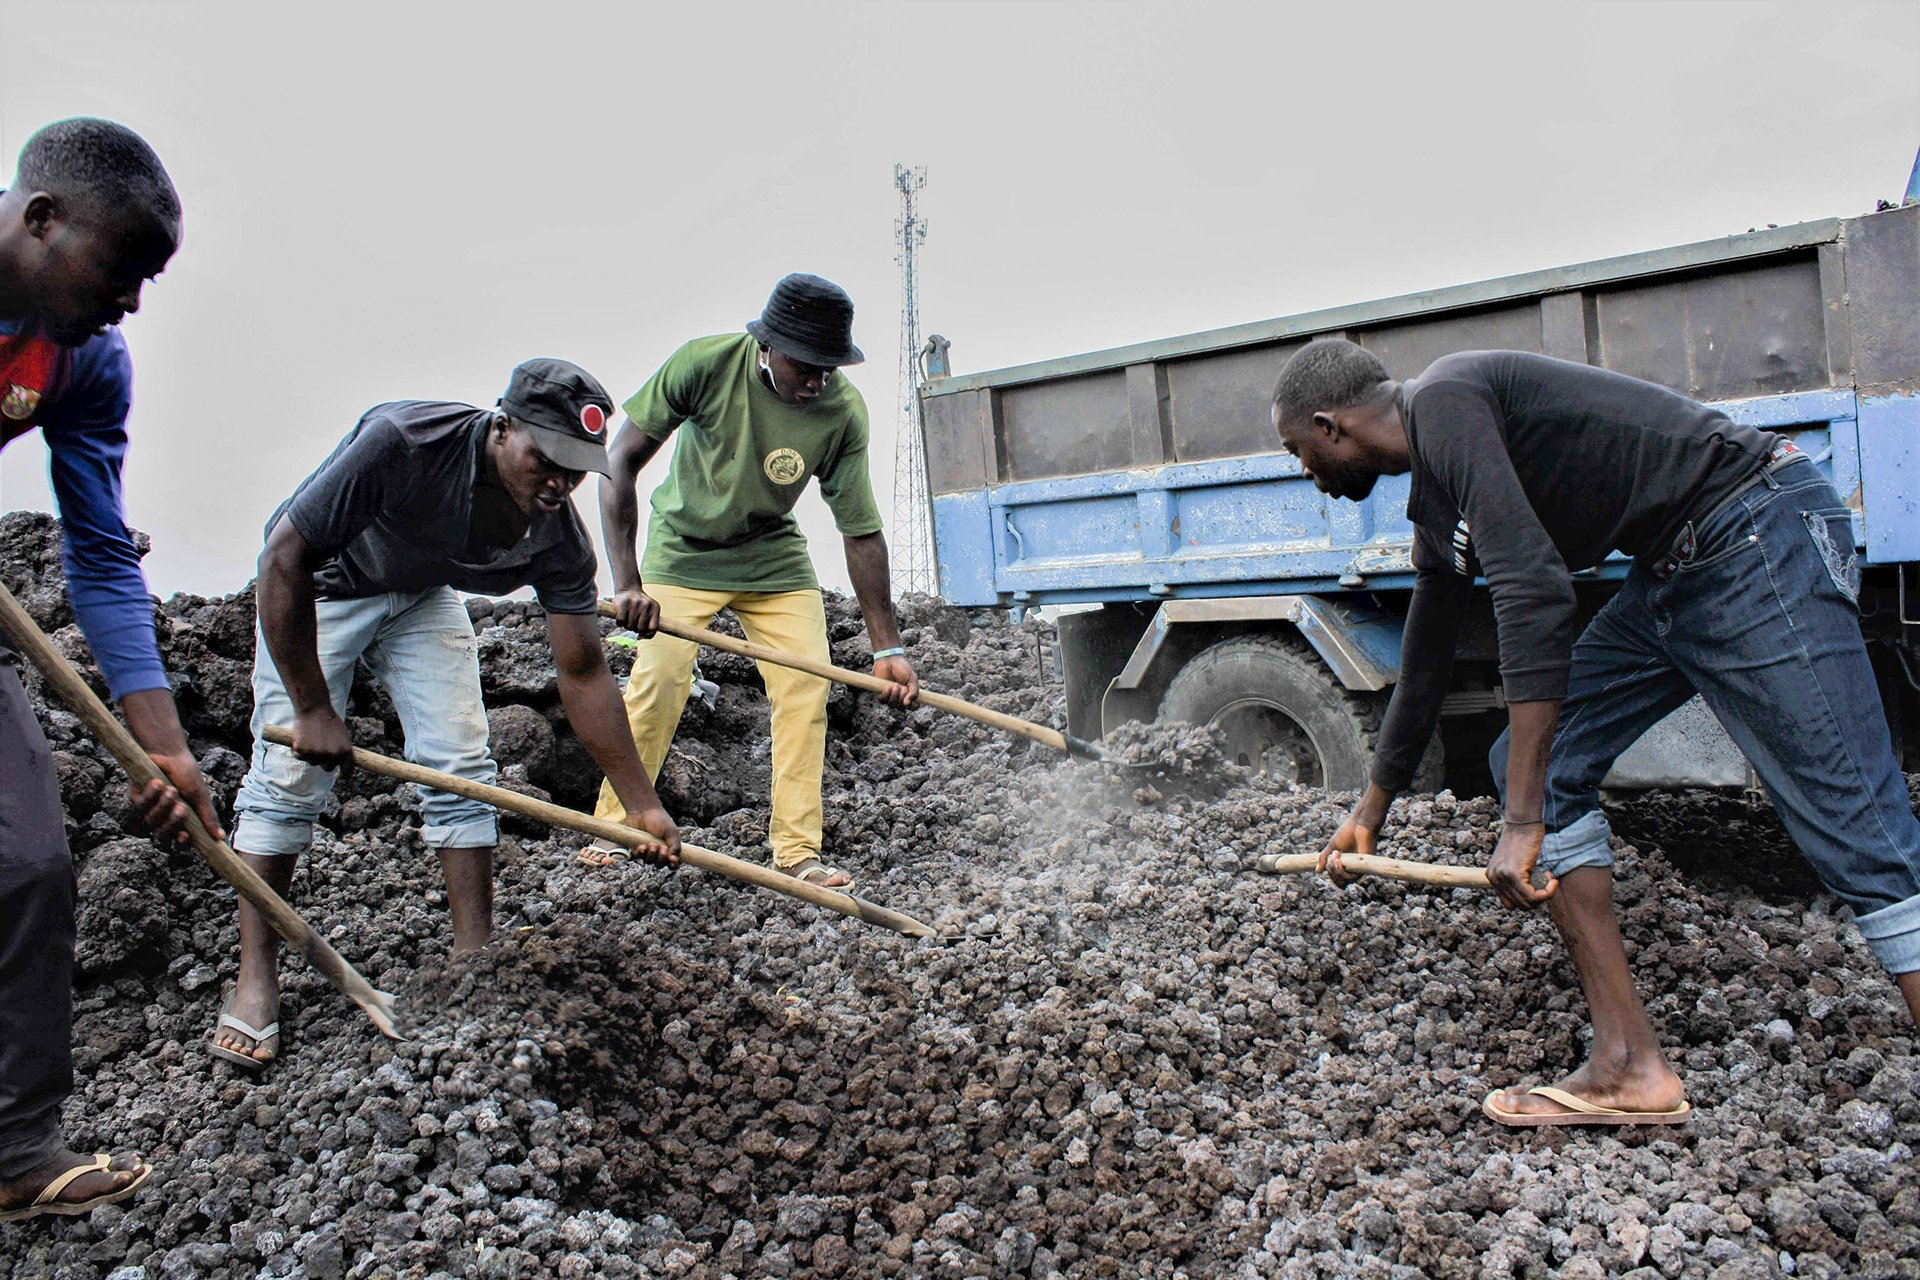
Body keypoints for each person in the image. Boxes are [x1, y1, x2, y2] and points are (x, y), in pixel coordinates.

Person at [1264, 339, 1920, 1127]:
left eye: (1296, 448)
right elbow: (1426, 658)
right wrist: (1371, 809)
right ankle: (1628, 1067)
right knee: (1532, 762)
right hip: (1676, 571)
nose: (1301, 468)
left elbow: (1533, 590)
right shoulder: (1438, 499)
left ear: (1329, 426)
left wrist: (1522, 822)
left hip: (1752, 529)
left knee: (1857, 827)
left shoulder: (1445, 398)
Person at [213, 359, 681, 1072]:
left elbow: (583, 669)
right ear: (501, 428)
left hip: (422, 593)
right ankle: (255, 980)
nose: (558, 483)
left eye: (575, 469)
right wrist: (312, 707)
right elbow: (284, 557)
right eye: (545, 458)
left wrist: (640, 805)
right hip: (325, 587)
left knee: (461, 765)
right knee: (287, 778)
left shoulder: (556, 535)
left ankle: (474, 962)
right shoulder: (407, 441)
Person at [0, 119, 217, 1221]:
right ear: (41, 220)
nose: (131, 300)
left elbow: (96, 551)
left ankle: (16, 1150)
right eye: (120, 267)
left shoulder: (81, 357)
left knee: (29, 855)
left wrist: (163, 743)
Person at [593, 273, 917, 889]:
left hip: (770, 557)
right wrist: (628, 581)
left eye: (829, 366)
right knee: (660, 678)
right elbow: (620, 462)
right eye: (805, 365)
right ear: (767, 344)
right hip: (682, 550)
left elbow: (860, 530)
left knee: (806, 683)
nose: (817, 380)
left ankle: (798, 852)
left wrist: (888, 647)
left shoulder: (841, 411)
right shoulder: (706, 363)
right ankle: (618, 826)